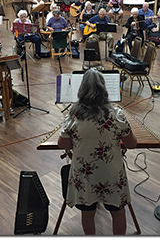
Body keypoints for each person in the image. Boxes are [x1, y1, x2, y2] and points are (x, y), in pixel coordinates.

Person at [58, 68, 137, 235]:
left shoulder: (73, 115)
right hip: (111, 173)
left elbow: (62, 143)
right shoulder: (117, 114)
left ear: (81, 90)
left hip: (85, 174)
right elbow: (131, 144)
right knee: (117, 211)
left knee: (87, 212)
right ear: (104, 90)